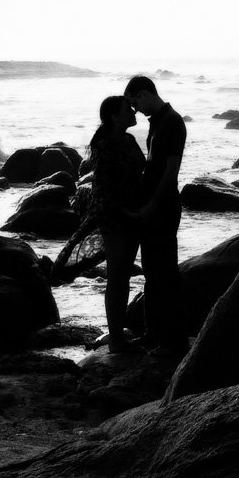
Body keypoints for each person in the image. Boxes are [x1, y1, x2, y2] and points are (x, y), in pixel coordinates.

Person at [123, 75, 189, 357]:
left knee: (164, 272)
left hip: (163, 207)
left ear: (145, 93)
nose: (135, 109)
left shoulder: (172, 122)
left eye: (135, 102)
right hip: (155, 206)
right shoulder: (158, 122)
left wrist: (152, 205)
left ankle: (173, 339)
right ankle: (155, 333)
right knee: (153, 270)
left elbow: (170, 171)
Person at [87, 93, 146, 353]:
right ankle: (116, 339)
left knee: (123, 274)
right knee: (117, 276)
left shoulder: (129, 139)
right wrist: (127, 210)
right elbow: (105, 187)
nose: (133, 111)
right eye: (128, 109)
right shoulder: (104, 145)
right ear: (114, 116)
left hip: (134, 213)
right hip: (115, 216)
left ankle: (119, 333)